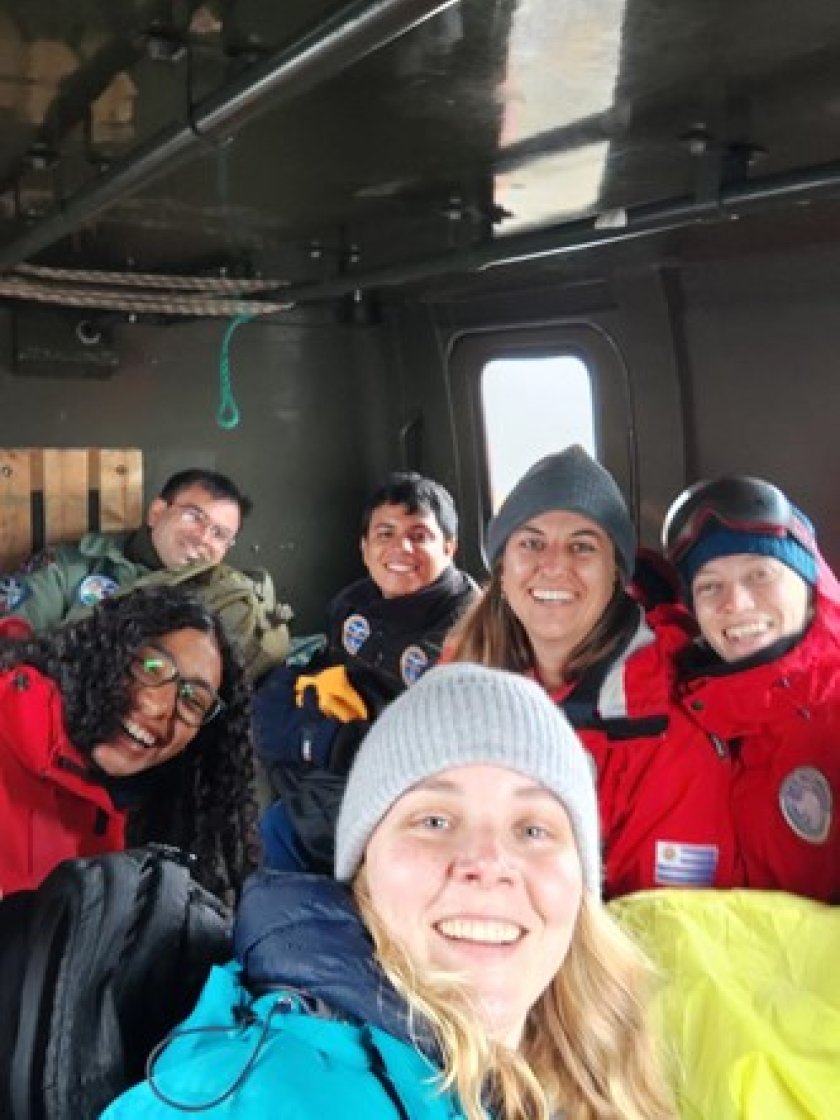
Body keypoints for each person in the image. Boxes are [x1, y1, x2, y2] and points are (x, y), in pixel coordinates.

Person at [101, 664, 675, 1120]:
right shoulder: (244, 1096)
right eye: (434, 821)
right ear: (363, 870)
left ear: (581, 880)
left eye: (533, 829)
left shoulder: (606, 1065)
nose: (489, 864)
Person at [446, 445, 736, 899]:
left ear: (617, 576)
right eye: (532, 543)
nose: (555, 565)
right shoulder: (454, 680)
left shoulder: (667, 724)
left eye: (582, 546)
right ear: (502, 568)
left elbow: (660, 922)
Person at [256, 470, 477, 872]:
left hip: (409, 782)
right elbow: (324, 668)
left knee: (278, 830)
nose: (400, 548)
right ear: (364, 547)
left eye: (419, 535)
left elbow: (452, 749)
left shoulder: (469, 633)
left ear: (449, 546)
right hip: (336, 750)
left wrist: (338, 743)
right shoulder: (352, 604)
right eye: (385, 534)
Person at [0, 585, 257, 901]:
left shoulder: (157, 826)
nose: (158, 708)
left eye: (193, 700)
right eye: (151, 667)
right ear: (104, 651)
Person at [662, 474, 840, 901]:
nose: (736, 603)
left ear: (811, 587)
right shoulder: (678, 712)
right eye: (710, 586)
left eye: (760, 574)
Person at [0, 468, 291, 681]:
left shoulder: (227, 606)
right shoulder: (72, 567)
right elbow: (10, 645)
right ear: (156, 513)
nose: (202, 538)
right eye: (193, 516)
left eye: (219, 534)